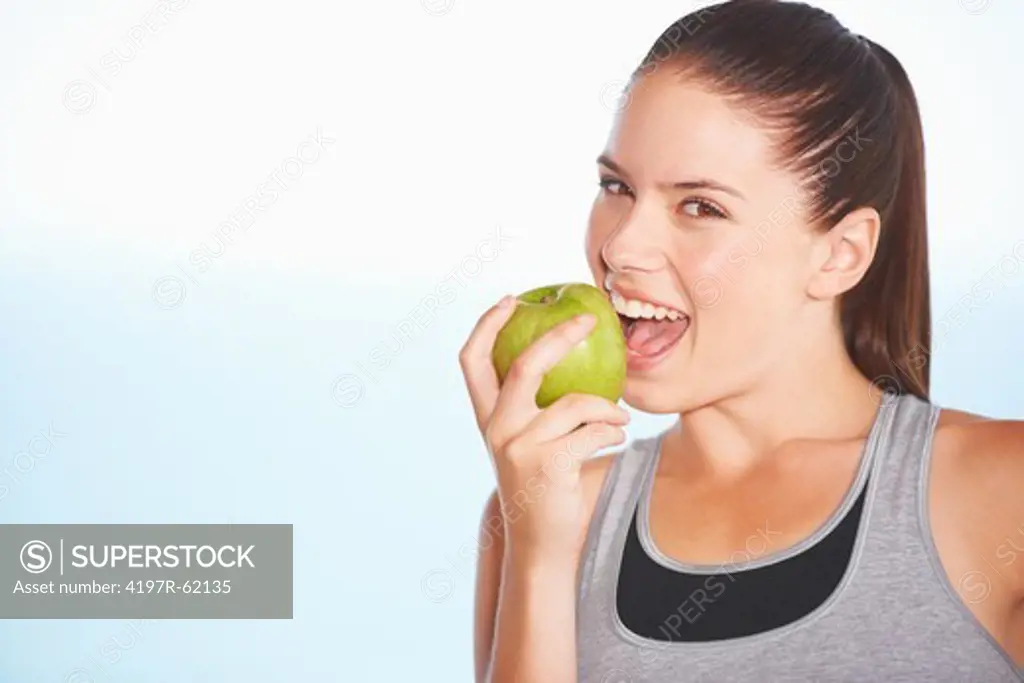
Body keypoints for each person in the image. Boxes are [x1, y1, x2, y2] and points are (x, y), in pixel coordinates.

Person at [460, 1, 1024, 681]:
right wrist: (541, 549)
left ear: (840, 254)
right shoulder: (543, 514)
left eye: (700, 206)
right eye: (617, 186)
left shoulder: (1000, 493)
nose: (619, 245)